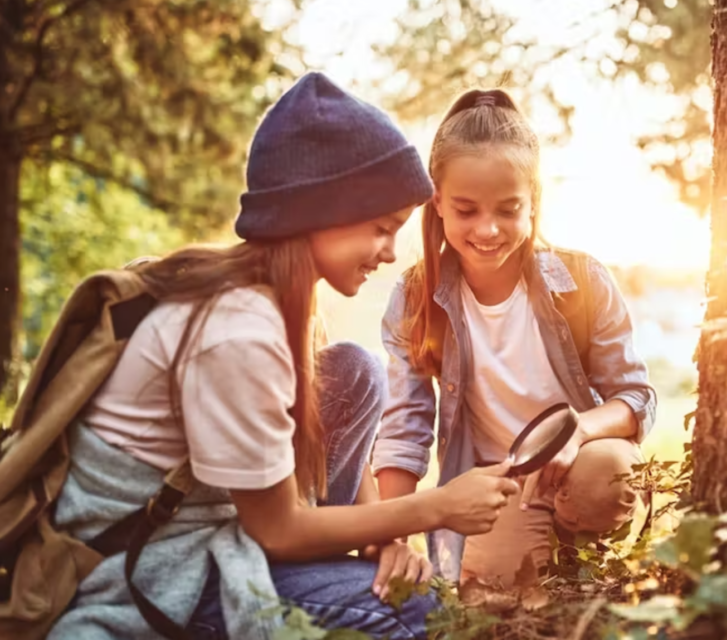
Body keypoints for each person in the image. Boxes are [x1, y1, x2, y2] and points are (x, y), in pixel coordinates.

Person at [47, 73, 520, 640]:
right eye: (379, 228)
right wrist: (435, 508)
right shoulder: (238, 330)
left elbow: (314, 451)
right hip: (153, 565)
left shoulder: (276, 299)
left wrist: (386, 538)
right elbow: (276, 530)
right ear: (318, 211)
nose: (390, 252)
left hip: (217, 523)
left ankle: (347, 569)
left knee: (352, 371)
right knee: (418, 612)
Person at [371, 89, 657, 586]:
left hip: (582, 467)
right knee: (503, 599)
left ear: (533, 203)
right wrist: (392, 537)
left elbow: (635, 398)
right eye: (466, 210)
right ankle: (538, 571)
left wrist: (577, 434)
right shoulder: (415, 297)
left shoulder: (583, 280)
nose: (488, 229)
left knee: (604, 479)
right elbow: (404, 428)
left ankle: (585, 569)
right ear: (437, 202)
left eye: (508, 209)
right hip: (498, 485)